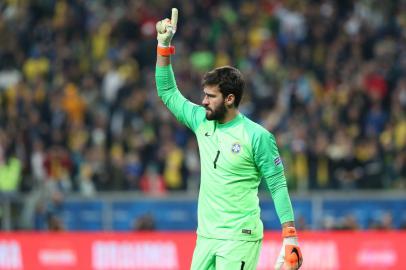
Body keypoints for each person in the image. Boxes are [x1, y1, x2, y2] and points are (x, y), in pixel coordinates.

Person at [155, 8, 303, 270]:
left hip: (239, 239)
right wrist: (163, 46)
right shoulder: (201, 121)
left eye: (210, 96)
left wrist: (290, 237)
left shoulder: (257, 136)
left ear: (230, 99)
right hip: (206, 237)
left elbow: (278, 185)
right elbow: (167, 92)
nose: (203, 101)